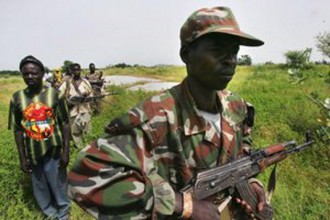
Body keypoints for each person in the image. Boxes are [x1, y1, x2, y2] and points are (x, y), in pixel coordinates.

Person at [68, 6, 270, 219]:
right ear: (186, 55)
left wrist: (250, 182)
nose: (231, 60)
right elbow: (85, 176)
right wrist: (183, 205)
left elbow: (243, 148)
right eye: (218, 50)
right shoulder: (154, 116)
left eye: (234, 51)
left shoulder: (236, 106)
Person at [8, 55, 71, 219]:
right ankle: (49, 213)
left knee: (57, 182)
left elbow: (65, 123)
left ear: (42, 73)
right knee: (39, 185)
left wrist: (66, 151)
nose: (30, 77)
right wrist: (22, 158)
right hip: (33, 151)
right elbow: (17, 130)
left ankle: (63, 212)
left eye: (34, 73)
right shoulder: (17, 98)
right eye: (25, 74)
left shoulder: (56, 95)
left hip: (53, 149)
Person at [59, 63, 93, 148]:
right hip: (73, 112)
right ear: (71, 71)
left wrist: (86, 97)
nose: (76, 71)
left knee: (87, 131)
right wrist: (69, 102)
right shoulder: (67, 83)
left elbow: (91, 94)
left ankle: (89, 149)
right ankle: (79, 149)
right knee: (75, 133)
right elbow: (59, 96)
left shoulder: (86, 82)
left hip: (85, 110)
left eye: (78, 69)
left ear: (80, 70)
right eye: (74, 70)